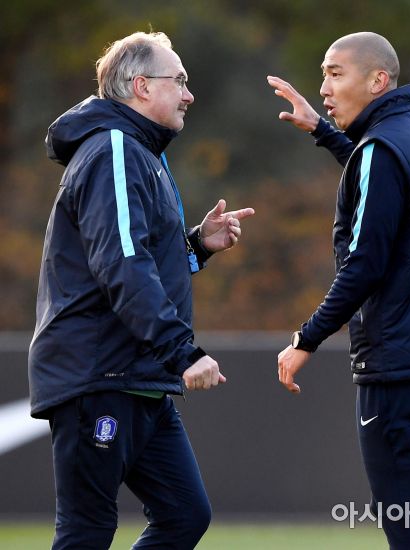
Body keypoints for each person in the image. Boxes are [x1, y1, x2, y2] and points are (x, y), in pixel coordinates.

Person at [28, 31, 254, 550]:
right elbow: (122, 265)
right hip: (100, 374)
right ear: (141, 86)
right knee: (87, 532)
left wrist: (196, 247)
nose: (189, 94)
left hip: (138, 375)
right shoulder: (113, 149)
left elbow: (139, 260)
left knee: (185, 515)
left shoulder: (139, 151)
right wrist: (183, 352)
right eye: (180, 81)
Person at [269, 32, 410, 549]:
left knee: (408, 527)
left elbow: (365, 264)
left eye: (335, 73)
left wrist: (306, 338)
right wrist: (323, 131)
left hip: (401, 364)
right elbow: (385, 188)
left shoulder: (380, 149)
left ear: (378, 80)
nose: (323, 86)